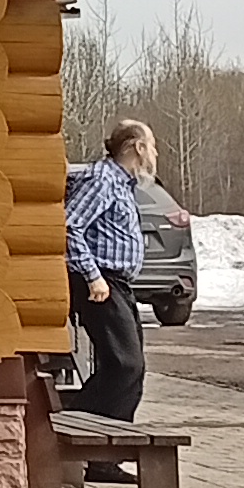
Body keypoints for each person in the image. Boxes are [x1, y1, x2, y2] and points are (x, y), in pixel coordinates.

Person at [66, 119, 155, 434]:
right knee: (124, 365)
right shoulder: (102, 179)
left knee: (133, 369)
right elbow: (70, 226)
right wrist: (93, 276)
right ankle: (68, 422)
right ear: (137, 147)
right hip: (102, 284)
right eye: (151, 145)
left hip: (119, 285)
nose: (154, 153)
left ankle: (111, 444)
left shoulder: (122, 184)